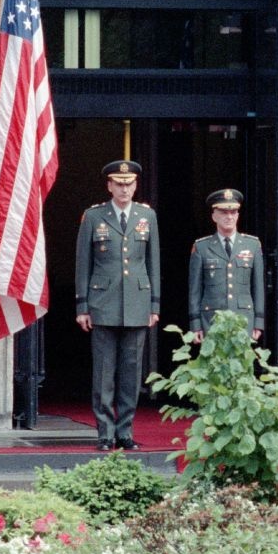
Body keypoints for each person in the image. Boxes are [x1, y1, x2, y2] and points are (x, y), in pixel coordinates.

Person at [74, 159, 161, 452]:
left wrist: (154, 304)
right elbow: (82, 265)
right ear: (109, 186)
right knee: (103, 373)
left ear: (135, 186)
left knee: (131, 372)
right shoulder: (94, 217)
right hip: (102, 304)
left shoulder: (146, 216)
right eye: (119, 184)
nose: (124, 189)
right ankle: (104, 432)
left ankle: (125, 431)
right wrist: (82, 306)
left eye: (129, 184)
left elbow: (153, 263)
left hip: (137, 303)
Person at [187, 188, 265, 340]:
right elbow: (195, 290)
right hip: (212, 320)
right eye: (223, 212)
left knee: (241, 363)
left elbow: (258, 287)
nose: (229, 217)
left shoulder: (252, 245)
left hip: (243, 319)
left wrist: (258, 322)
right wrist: (195, 324)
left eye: (233, 212)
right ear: (214, 216)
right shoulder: (201, 247)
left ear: (238, 215)